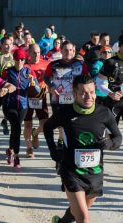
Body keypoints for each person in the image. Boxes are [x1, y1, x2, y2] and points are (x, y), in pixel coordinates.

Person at [44, 75, 122, 223]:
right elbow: (48, 126)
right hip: (71, 171)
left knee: (78, 211)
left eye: (92, 92)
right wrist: (53, 150)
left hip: (95, 172)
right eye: (83, 93)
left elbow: (118, 138)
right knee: (83, 218)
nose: (89, 96)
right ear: (74, 94)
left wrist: (109, 144)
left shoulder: (104, 113)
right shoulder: (65, 113)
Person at [44, 40, 89, 172]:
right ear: (61, 51)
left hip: (75, 100)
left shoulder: (80, 64)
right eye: (66, 50)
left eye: (71, 50)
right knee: (61, 127)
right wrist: (51, 87)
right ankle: (60, 158)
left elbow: (87, 80)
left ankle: (70, 157)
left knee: (73, 128)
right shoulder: (53, 64)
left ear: (74, 51)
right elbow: (46, 77)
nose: (68, 52)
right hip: (58, 100)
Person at [2, 48, 40, 168]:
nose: (19, 61)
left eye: (22, 59)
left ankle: (10, 150)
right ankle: (16, 155)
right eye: (17, 59)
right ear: (14, 59)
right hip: (9, 105)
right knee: (16, 128)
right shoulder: (7, 72)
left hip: (23, 105)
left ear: (25, 60)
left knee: (15, 130)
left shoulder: (29, 72)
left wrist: (32, 82)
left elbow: (38, 89)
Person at [23, 44, 50, 158]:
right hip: (27, 97)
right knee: (27, 124)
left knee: (44, 125)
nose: (37, 55)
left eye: (38, 52)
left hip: (41, 97)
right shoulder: (24, 66)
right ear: (29, 53)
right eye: (34, 52)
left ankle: (35, 133)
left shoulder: (46, 64)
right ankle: (29, 148)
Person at [96, 36, 123, 123]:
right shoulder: (110, 62)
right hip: (114, 102)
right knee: (112, 134)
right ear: (120, 46)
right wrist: (110, 93)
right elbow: (99, 82)